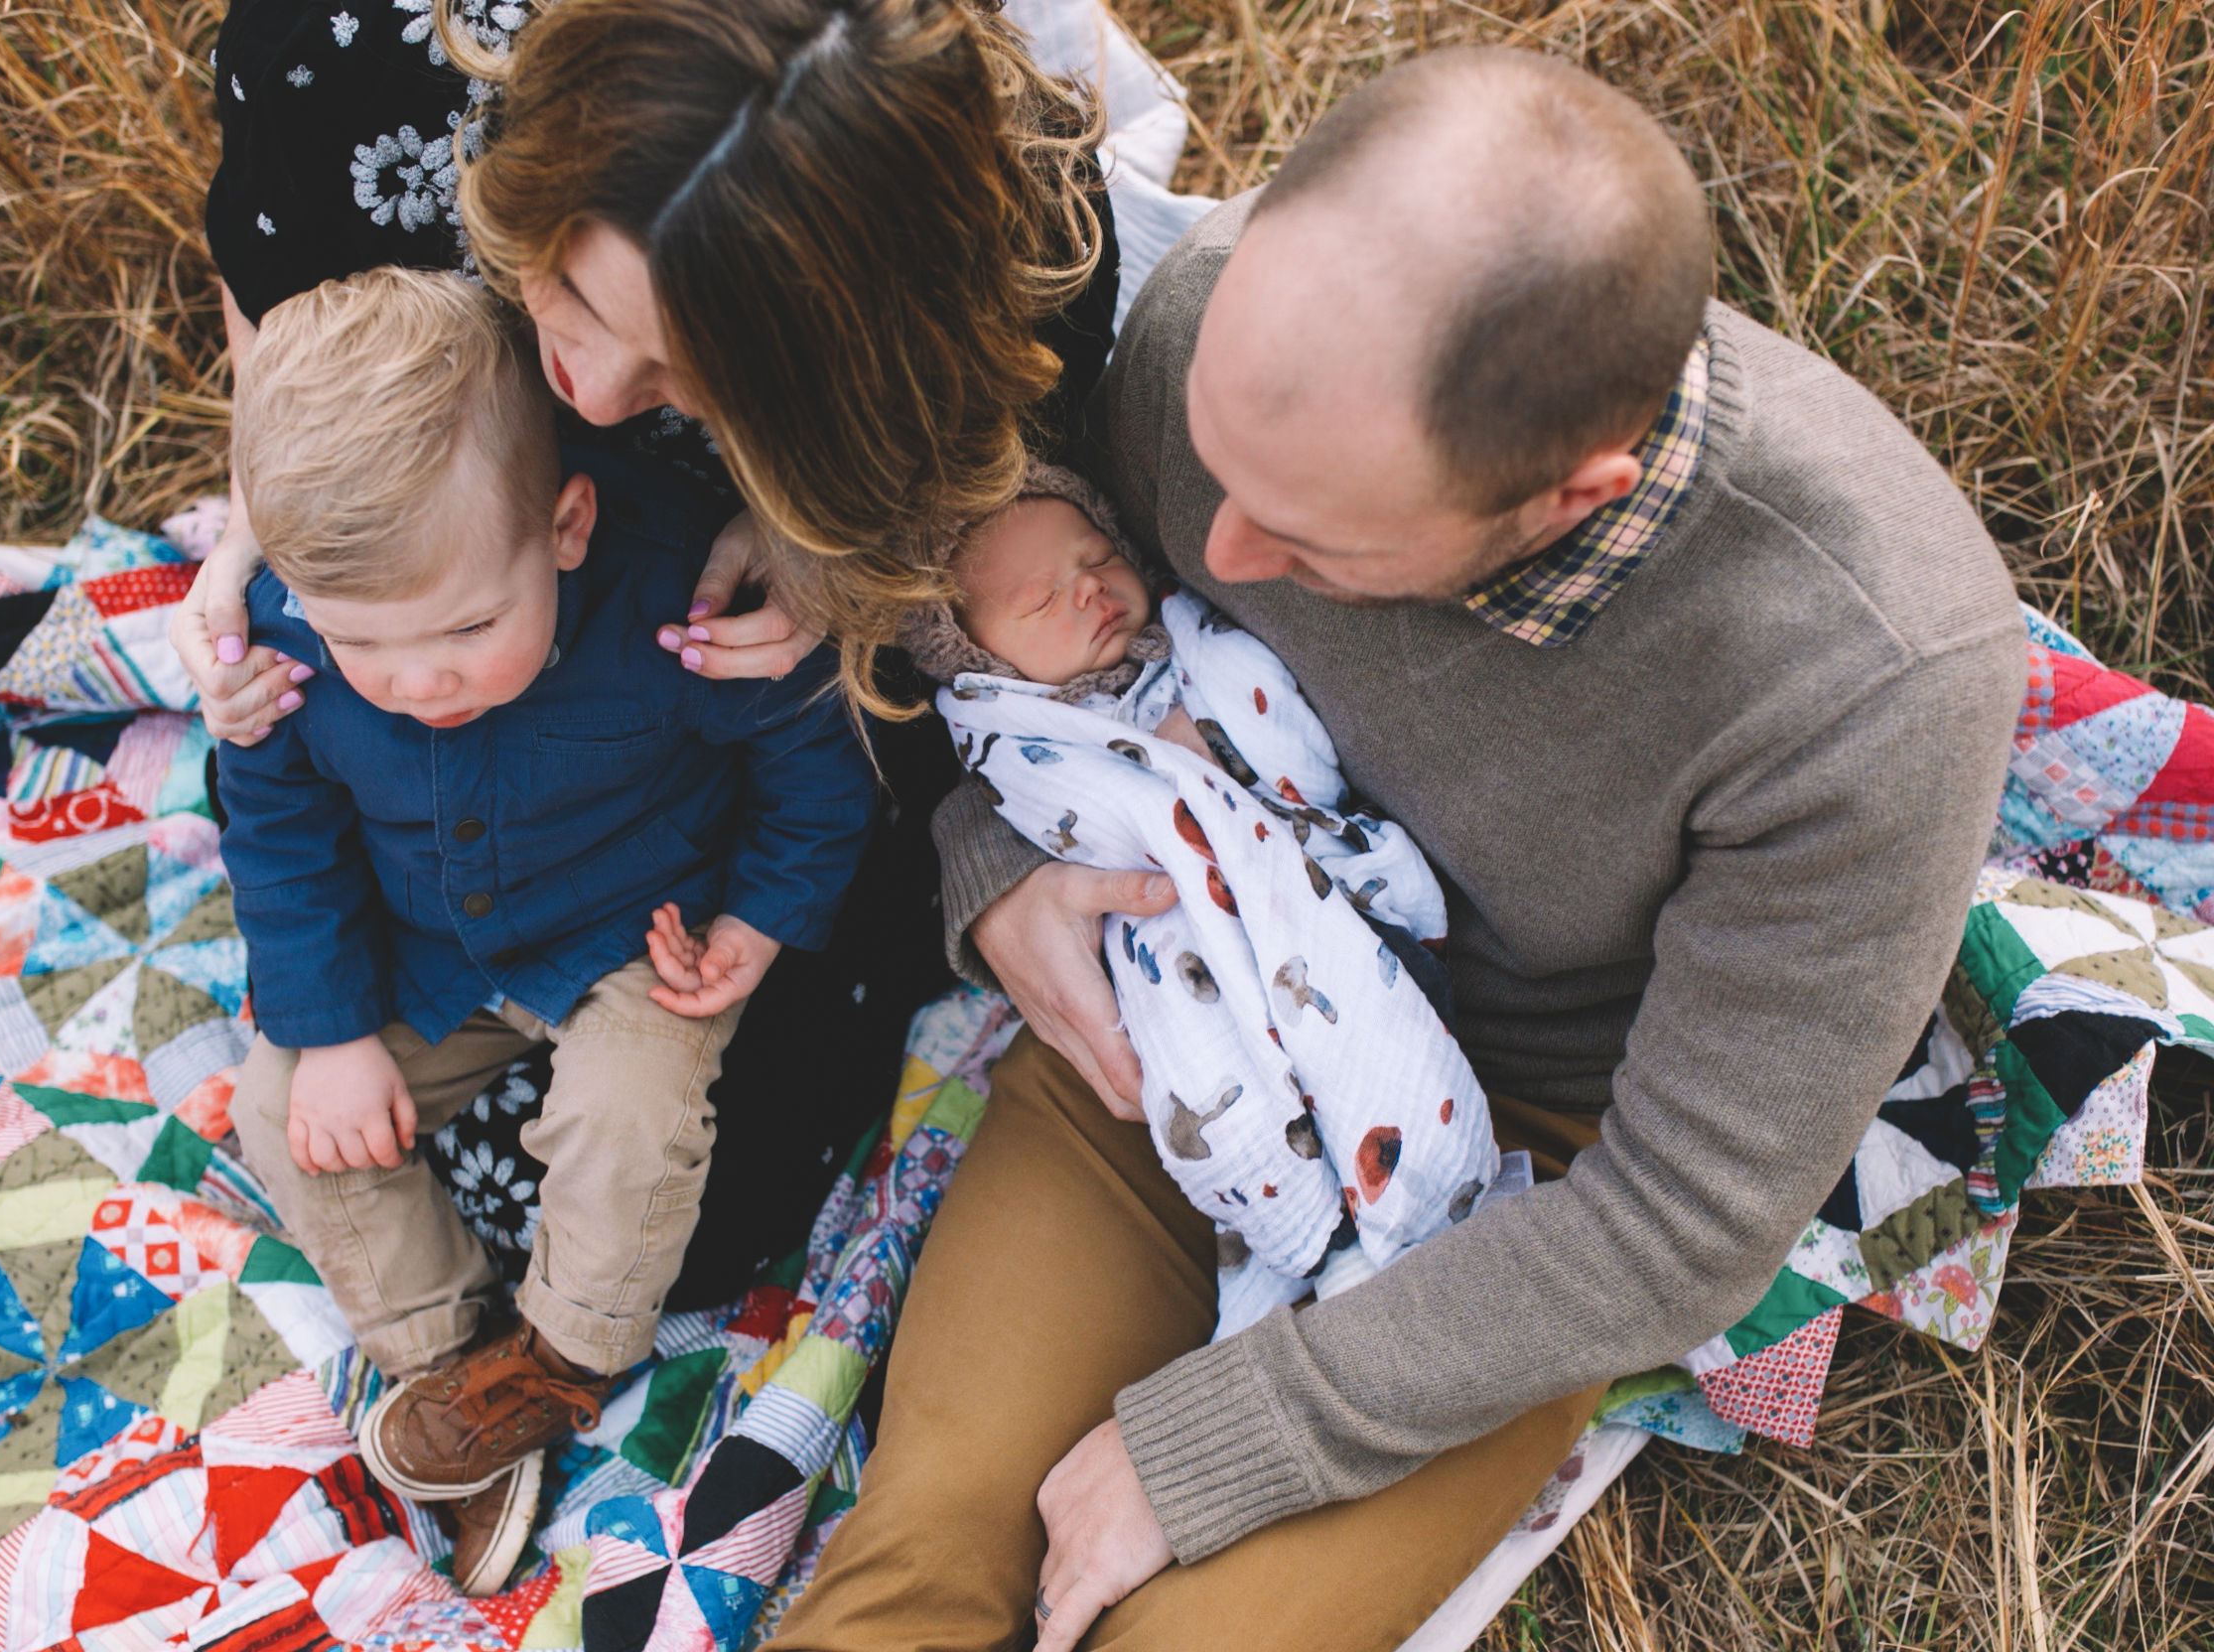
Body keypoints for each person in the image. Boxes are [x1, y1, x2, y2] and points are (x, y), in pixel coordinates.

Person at [764, 47, 2028, 1652]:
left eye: (1307, 543)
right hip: (1197, 1014)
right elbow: (1034, 663)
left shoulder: (1868, 686)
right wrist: (995, 864)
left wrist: (1231, 1432)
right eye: (1218, 480)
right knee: (923, 1546)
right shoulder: (1214, 329)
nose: (1215, 560)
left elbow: (1683, 1220)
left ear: (1569, 499)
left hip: (1514, 1178)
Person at [185, 0, 1143, 1307]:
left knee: (690, 1231)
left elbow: (1003, 488)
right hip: (453, 599)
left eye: (698, 374)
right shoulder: (331, 54)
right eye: (571, 293)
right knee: (338, 1065)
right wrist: (271, 533)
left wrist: (830, 535)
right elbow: (276, 308)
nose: (590, 395)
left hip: (720, 741)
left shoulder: (998, 201)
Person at [214, 268, 876, 1594]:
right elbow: (280, 843)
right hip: (430, 954)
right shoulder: (291, 648)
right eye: (366, 645)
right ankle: (451, 1359)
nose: (418, 681)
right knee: (284, 1106)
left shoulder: (667, 592)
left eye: (466, 628)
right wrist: (331, 1030)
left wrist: (759, 917)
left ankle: (565, 1355)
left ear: (566, 527)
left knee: (627, 1126)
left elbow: (815, 751)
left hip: (638, 933)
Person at [901, 466, 1505, 1338]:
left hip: (1315, 907)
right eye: (1040, 602)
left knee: (1373, 1034)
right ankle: (1326, 1244)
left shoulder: (1191, 645)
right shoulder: (1020, 734)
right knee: (1224, 1092)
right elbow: (1076, 817)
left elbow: (1293, 741)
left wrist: (1218, 744)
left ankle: (1415, 1229)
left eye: (1099, 556)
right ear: (984, 663)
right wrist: (1164, 787)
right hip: (1178, 955)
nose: (1090, 593)